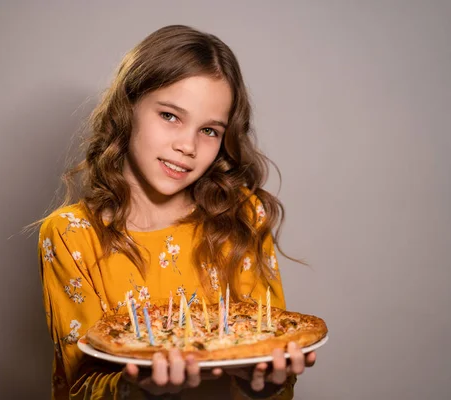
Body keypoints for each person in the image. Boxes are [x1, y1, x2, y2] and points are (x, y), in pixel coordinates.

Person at [38, 25, 316, 400]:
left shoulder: (243, 219)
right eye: (170, 116)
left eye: (210, 130)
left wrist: (266, 386)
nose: (187, 145)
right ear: (128, 108)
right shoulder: (73, 234)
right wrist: (138, 388)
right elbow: (78, 387)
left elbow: (271, 353)